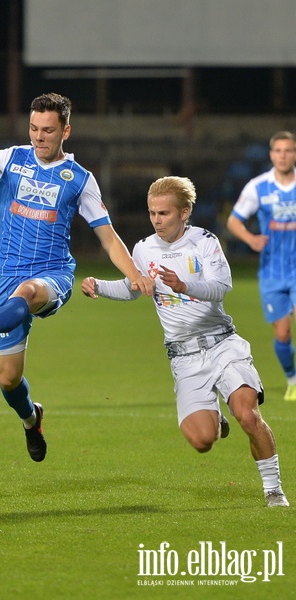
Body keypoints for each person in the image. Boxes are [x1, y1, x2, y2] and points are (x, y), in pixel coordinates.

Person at [0, 92, 153, 464]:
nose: (40, 137)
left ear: (65, 131)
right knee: (8, 380)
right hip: (3, 275)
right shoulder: (10, 159)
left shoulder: (80, 180)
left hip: (52, 273)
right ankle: (31, 418)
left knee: (28, 292)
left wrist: (135, 274)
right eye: (34, 128)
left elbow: (108, 237)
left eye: (48, 130)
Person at [82, 176, 289, 508]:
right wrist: (99, 286)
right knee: (202, 440)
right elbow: (133, 288)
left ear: (185, 212)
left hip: (223, 345)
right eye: (152, 213)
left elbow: (221, 287)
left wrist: (184, 286)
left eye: (164, 213)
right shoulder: (144, 248)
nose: (157, 220)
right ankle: (215, 419)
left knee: (247, 415)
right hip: (185, 357)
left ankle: (273, 490)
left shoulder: (204, 242)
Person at [227, 131, 296, 401]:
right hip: (271, 272)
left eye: (288, 150)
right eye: (278, 150)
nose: (283, 155)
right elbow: (234, 221)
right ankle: (292, 379)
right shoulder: (259, 186)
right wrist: (250, 239)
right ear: (271, 155)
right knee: (283, 332)